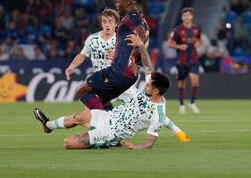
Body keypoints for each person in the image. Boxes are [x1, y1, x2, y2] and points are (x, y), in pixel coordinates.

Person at [65, 8, 188, 141]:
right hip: (101, 84)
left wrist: (119, 56)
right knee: (90, 117)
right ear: (101, 23)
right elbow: (83, 55)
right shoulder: (92, 39)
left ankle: (177, 131)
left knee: (147, 106)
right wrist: (71, 67)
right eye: (104, 21)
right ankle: (103, 138)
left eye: (110, 21)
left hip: (120, 80)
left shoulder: (122, 39)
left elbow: (135, 57)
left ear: (116, 24)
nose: (107, 24)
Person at [34, 71, 189, 149]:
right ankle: (48, 125)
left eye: (148, 86)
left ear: (156, 91)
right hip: (108, 117)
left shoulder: (158, 113)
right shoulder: (144, 95)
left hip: (110, 133)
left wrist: (136, 146)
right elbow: (167, 121)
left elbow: (151, 141)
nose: (145, 86)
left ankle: (108, 143)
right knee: (79, 117)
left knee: (67, 143)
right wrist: (179, 132)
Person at [76, 0, 150, 110]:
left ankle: (103, 121)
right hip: (128, 74)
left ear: (128, 3)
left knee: (82, 90)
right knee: (103, 101)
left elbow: (142, 36)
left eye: (118, 1)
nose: (116, 4)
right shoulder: (139, 17)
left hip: (119, 71)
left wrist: (132, 57)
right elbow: (144, 37)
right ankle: (107, 123)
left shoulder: (132, 16)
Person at [167, 7, 201, 114]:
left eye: (188, 15)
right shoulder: (177, 30)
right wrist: (179, 46)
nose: (187, 17)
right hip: (182, 61)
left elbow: (199, 40)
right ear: (182, 17)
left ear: (192, 16)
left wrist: (197, 43)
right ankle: (181, 104)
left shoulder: (196, 29)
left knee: (195, 81)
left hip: (194, 60)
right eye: (184, 15)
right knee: (182, 84)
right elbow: (169, 43)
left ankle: (192, 103)